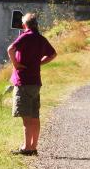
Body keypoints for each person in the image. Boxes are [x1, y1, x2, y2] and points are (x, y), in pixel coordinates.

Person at [6, 13, 57, 156]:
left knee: (26, 118)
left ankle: (27, 148)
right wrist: (39, 63)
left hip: (23, 82)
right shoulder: (41, 39)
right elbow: (53, 54)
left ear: (25, 25)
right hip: (35, 82)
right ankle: (34, 146)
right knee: (35, 116)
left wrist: (16, 64)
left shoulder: (25, 36)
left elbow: (10, 49)